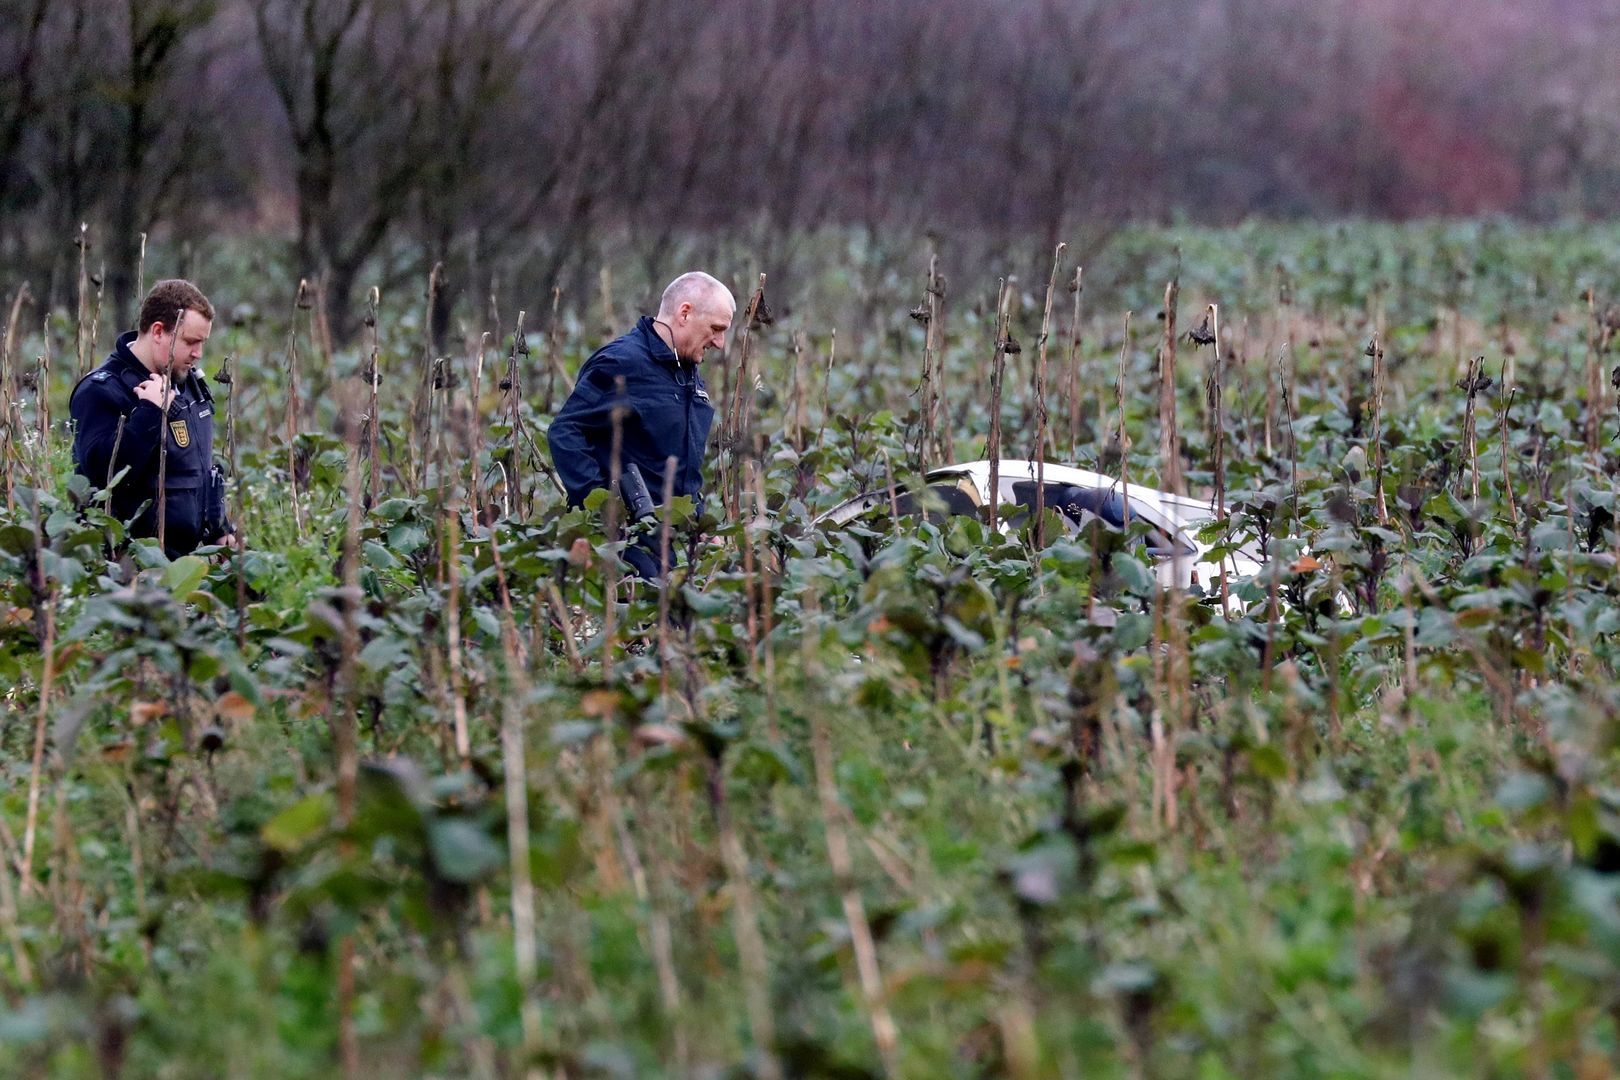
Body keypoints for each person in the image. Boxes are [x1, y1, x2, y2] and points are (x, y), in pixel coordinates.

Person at [547, 271, 733, 578]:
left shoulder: (686, 371)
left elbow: (675, 465)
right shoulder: (621, 363)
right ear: (684, 313)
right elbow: (565, 433)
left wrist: (699, 525)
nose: (720, 343)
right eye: (716, 329)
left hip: (665, 548)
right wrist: (605, 510)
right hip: (624, 550)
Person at [70, 279, 235, 558]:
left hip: (192, 563)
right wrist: (150, 414)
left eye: (202, 343)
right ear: (158, 331)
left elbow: (198, 470)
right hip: (127, 567)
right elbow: (100, 475)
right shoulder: (101, 391)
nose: (199, 353)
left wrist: (221, 530)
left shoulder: (189, 385)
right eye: (190, 342)